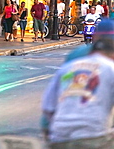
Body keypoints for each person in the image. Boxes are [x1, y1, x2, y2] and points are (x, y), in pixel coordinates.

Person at [42, 19, 114, 149]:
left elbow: (48, 108)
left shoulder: (69, 66)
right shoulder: (110, 69)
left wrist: (49, 132)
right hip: (94, 136)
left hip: (60, 136)